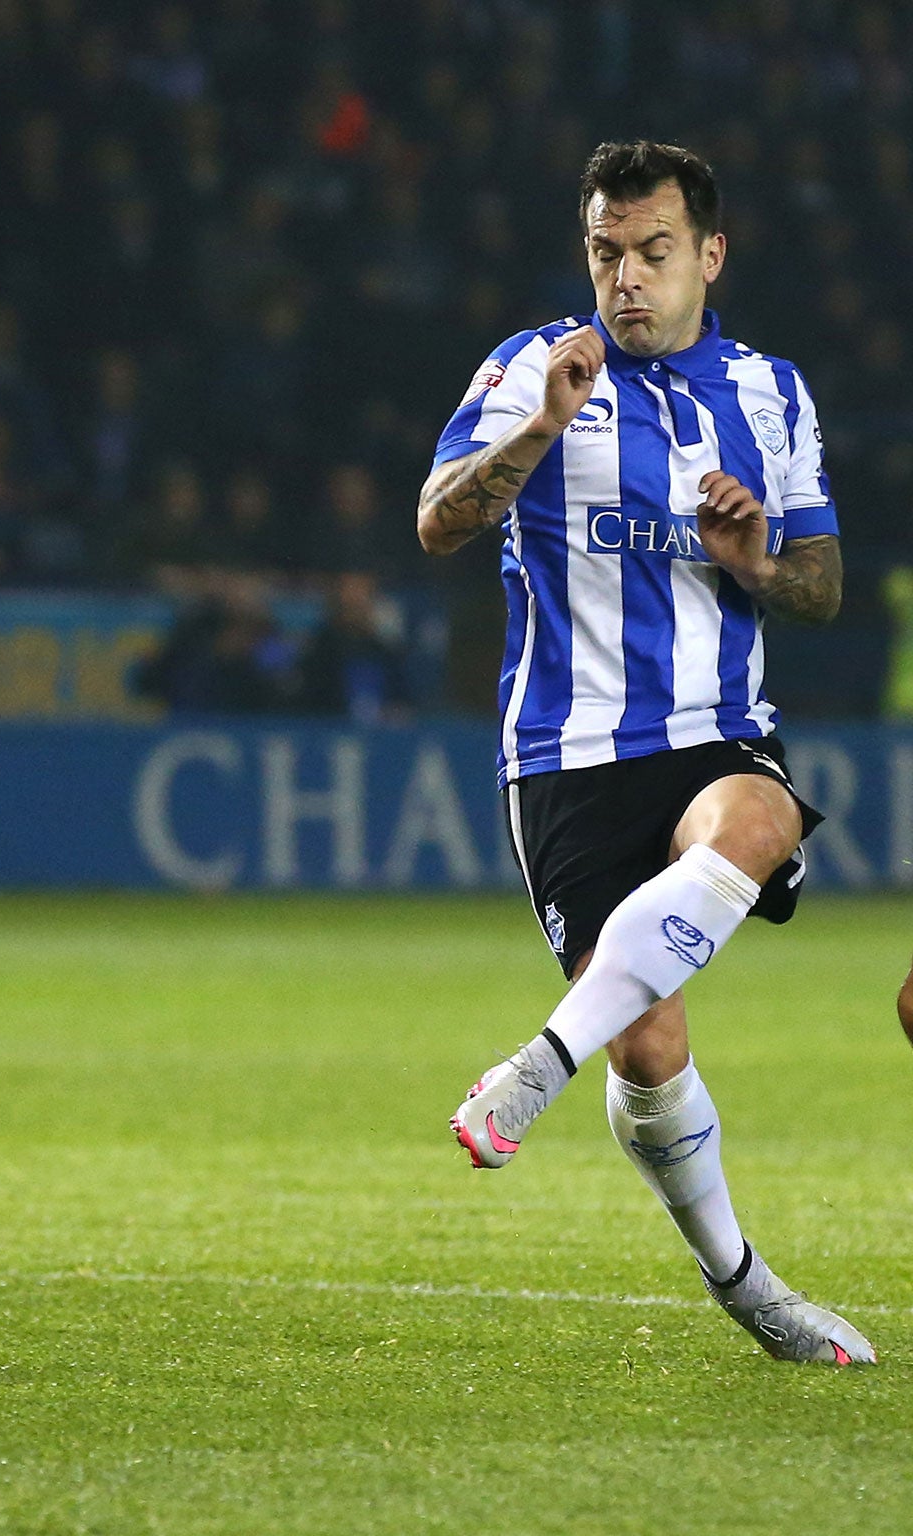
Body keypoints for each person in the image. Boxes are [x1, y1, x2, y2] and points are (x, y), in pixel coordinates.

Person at [418, 141, 868, 1365]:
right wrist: (539, 432)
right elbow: (437, 521)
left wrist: (754, 568)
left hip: (709, 732)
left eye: (652, 252)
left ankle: (531, 1067)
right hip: (564, 752)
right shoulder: (533, 367)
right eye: (605, 251)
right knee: (652, 1042)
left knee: (761, 820)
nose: (626, 276)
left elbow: (821, 586)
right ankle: (741, 1281)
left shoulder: (768, 393)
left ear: (706, 256)